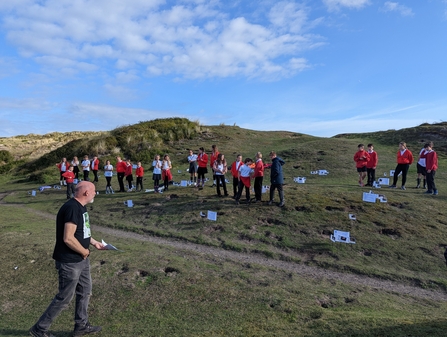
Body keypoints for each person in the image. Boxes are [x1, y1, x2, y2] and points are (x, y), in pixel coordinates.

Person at [29, 181, 105, 337]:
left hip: (81, 260)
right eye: (94, 191)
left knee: (85, 291)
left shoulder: (80, 207)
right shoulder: (71, 208)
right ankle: (39, 329)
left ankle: (81, 326)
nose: (95, 193)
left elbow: (82, 232)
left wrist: (94, 242)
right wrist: (83, 251)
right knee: (64, 297)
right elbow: (68, 238)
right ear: (85, 192)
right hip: (70, 261)